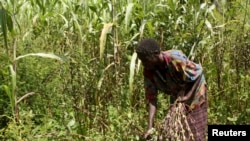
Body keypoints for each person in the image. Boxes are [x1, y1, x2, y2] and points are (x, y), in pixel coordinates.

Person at [135, 38, 207, 141]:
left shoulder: (175, 59)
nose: (143, 64)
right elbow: (152, 98)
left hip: (195, 91)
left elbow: (199, 74)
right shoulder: (148, 71)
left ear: (156, 54)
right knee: (176, 131)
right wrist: (150, 127)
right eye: (141, 60)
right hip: (178, 94)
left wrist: (187, 96)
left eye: (145, 60)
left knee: (195, 130)